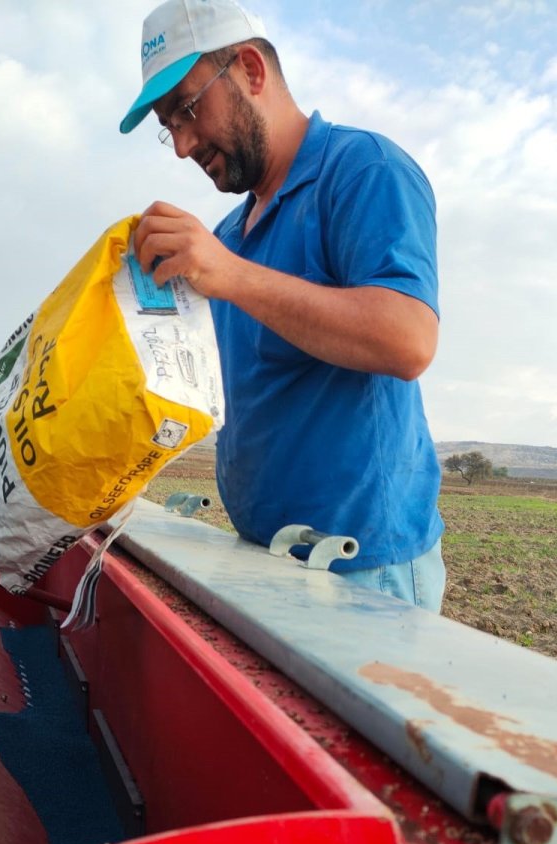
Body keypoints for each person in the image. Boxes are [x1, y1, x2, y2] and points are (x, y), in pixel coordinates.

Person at [120, 0, 446, 612]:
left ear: (250, 69)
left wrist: (230, 274)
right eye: (170, 125)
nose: (182, 145)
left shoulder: (362, 172)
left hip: (361, 575)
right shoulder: (229, 237)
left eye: (187, 109)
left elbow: (408, 340)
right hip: (262, 562)